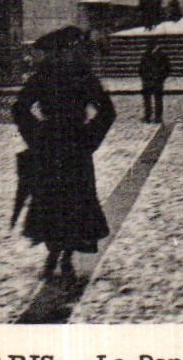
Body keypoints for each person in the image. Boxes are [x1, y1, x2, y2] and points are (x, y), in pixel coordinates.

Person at [11, 27, 115, 280]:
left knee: (62, 200)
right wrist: (87, 137)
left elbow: (107, 111)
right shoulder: (69, 76)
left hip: (59, 145)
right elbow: (20, 108)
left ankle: (62, 255)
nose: (59, 56)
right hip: (67, 145)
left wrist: (37, 134)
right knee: (57, 200)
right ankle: (57, 254)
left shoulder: (70, 76)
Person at [138, 39, 171, 123]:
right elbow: (141, 68)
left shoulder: (162, 55)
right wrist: (143, 78)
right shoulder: (145, 54)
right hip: (147, 81)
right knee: (147, 100)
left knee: (158, 99)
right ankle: (148, 115)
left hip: (157, 81)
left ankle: (158, 117)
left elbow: (167, 68)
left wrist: (161, 78)